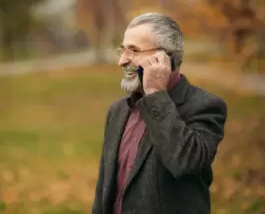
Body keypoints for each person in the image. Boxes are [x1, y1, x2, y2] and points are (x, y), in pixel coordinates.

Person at [91, 12, 228, 214]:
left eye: (134, 51)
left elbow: (186, 163)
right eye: (123, 49)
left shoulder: (205, 106)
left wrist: (155, 94)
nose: (122, 60)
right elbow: (104, 188)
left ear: (166, 59)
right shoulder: (117, 111)